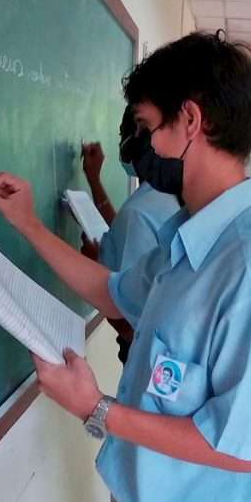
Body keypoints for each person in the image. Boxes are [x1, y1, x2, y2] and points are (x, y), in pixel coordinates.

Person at [0, 31, 251, 502]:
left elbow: (242, 448)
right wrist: (29, 226)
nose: (145, 147)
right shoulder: (191, 235)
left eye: (150, 128)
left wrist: (96, 408)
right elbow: (112, 293)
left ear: (191, 123)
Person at [80, 108, 180, 363]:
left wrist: (92, 271)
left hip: (144, 358)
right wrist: (94, 180)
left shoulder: (140, 210)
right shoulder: (170, 195)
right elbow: (128, 232)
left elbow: (133, 330)